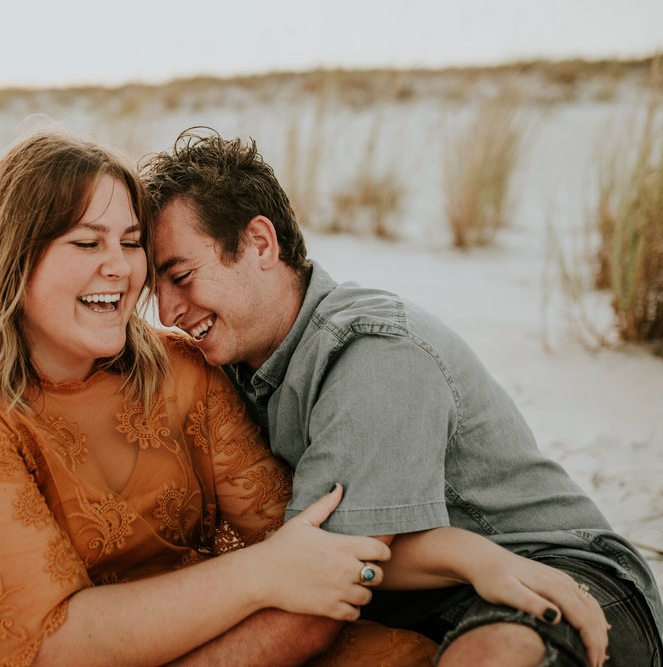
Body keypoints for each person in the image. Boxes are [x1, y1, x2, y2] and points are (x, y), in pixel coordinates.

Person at [0, 131, 596, 666]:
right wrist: (263, 573)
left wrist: (469, 554)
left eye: (133, 243)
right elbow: (47, 641)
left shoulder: (185, 369)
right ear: (12, 256)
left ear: (259, 243)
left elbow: (312, 556)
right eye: (86, 240)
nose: (126, 273)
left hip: (293, 629)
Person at [140, 128, 663, 666]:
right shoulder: (231, 364)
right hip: (414, 596)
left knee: (494, 656)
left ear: (260, 243)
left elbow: (319, 587)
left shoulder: (372, 354)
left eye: (181, 276)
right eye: (155, 291)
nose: (167, 311)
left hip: (547, 571)